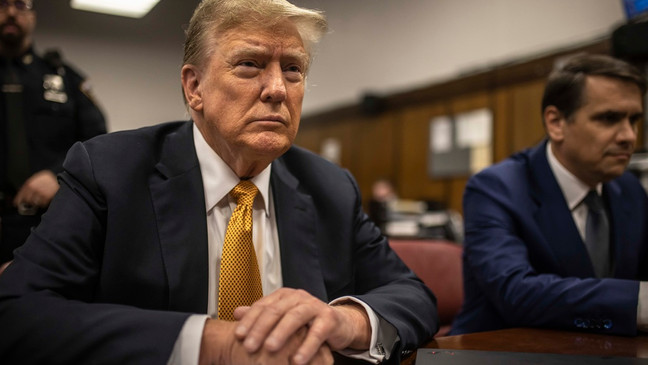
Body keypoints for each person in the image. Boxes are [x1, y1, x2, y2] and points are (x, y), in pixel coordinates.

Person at [0, 0, 438, 364]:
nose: (277, 89)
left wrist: (345, 321)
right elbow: (17, 311)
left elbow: (412, 295)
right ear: (194, 87)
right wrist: (217, 344)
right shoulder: (110, 172)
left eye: (293, 69)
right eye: (249, 64)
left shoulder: (329, 187)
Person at [451, 54, 648, 336]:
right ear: (556, 122)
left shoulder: (629, 189)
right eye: (609, 119)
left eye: (634, 119)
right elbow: (516, 293)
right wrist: (638, 302)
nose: (629, 136)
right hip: (499, 352)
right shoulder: (496, 188)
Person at [0, 0, 106, 263]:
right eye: (2, 4)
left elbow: (98, 141)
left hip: (47, 224)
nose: (11, 12)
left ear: (33, 16)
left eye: (21, 4)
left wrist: (59, 175)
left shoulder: (65, 78)